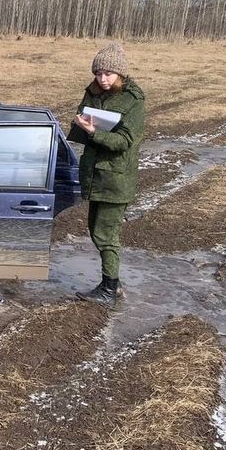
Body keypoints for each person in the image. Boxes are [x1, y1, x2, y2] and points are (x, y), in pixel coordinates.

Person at [67, 42, 145, 304]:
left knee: (105, 234)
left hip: (116, 177)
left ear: (120, 74)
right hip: (94, 174)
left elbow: (124, 141)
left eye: (108, 74)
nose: (103, 79)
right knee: (94, 229)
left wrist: (94, 132)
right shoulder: (92, 92)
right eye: (99, 73)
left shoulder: (133, 100)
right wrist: (80, 124)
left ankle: (109, 289)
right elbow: (80, 130)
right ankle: (115, 283)